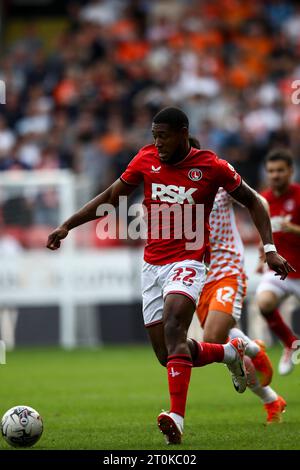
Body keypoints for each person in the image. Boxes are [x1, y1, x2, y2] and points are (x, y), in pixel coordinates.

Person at [47, 107, 293, 444]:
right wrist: (66, 226)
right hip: (152, 266)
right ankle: (232, 352)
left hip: (190, 262)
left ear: (182, 132)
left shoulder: (212, 167)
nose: (157, 142)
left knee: (177, 327)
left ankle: (176, 417)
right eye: (154, 136)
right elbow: (110, 198)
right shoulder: (145, 159)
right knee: (169, 355)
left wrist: (268, 249)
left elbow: (253, 201)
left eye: (163, 135)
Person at [196, 187, 286, 423]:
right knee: (229, 346)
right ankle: (270, 397)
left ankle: (255, 351)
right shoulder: (174, 188)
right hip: (197, 276)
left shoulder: (217, 177)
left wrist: (266, 244)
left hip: (228, 269)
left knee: (213, 338)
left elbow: (259, 202)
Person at [256, 149, 300, 375]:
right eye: (271, 171)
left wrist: (293, 229)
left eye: (280, 170)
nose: (275, 175)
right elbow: (264, 232)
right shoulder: (262, 200)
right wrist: (261, 254)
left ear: (291, 171)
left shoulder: (299, 196)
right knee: (264, 302)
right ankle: (290, 342)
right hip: (280, 270)